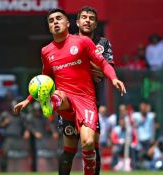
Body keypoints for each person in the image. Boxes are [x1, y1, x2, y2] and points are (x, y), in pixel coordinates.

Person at [14, 8, 126, 175]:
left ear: (67, 23)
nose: (55, 22)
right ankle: (51, 103)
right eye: (51, 21)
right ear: (49, 27)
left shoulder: (82, 42)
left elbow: (103, 63)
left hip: (86, 99)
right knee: (58, 96)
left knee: (88, 143)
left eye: (59, 18)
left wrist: (114, 78)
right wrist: (28, 100)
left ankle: (52, 103)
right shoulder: (46, 51)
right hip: (64, 98)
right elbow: (44, 80)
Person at [57, 6, 115, 175]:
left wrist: (77, 65)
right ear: (77, 22)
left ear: (96, 24)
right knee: (69, 151)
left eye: (91, 18)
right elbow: (61, 69)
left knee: (93, 148)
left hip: (91, 102)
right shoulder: (67, 42)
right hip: (69, 103)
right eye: (84, 17)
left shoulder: (103, 44)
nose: (87, 20)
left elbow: (105, 69)